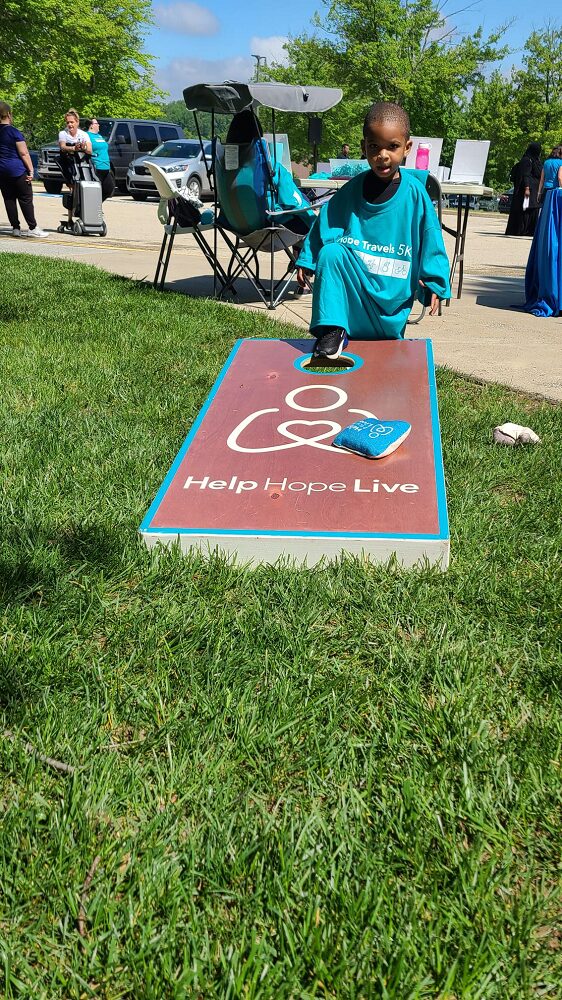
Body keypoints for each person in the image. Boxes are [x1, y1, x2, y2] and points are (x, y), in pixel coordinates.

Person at [296, 101, 451, 362]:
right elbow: (325, 224)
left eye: (392, 146)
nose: (383, 155)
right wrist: (308, 259)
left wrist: (434, 284)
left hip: (390, 309)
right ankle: (332, 332)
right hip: (352, 307)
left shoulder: (415, 195)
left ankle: (371, 333)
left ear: (407, 147)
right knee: (332, 253)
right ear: (363, 148)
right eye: (374, 147)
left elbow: (431, 240)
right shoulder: (350, 192)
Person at [224, 110, 315, 235]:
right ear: (258, 135)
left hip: (234, 224)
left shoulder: (224, 166)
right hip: (266, 224)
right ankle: (303, 254)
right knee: (306, 219)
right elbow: (292, 200)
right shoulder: (268, 165)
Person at [0, 100, 48, 237]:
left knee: (9, 199)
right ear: (8, 114)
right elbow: (24, 153)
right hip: (17, 170)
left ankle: (15, 228)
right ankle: (32, 228)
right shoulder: (14, 132)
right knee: (25, 198)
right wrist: (31, 170)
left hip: (2, 172)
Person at [524, 146, 562, 317]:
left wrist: (538, 194)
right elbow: (560, 179)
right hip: (557, 193)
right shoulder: (561, 164)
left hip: (546, 192)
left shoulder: (546, 163)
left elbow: (541, 180)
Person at [58, 108, 92, 226]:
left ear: (77, 122)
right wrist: (73, 148)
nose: (70, 125)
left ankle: (86, 215)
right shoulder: (63, 134)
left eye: (72, 122)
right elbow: (62, 147)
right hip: (68, 163)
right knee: (72, 189)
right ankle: (69, 219)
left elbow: (89, 150)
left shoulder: (84, 135)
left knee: (85, 187)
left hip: (81, 164)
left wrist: (82, 147)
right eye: (68, 122)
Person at [505, 143, 542, 237]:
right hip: (528, 190)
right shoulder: (526, 160)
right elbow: (525, 175)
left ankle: (530, 230)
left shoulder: (535, 160)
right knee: (525, 209)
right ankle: (522, 230)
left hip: (534, 190)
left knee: (532, 209)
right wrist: (527, 188)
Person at [85, 117, 114, 201]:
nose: (98, 125)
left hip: (106, 167)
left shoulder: (99, 136)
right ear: (91, 126)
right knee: (95, 191)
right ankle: (88, 209)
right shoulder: (87, 136)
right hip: (96, 167)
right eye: (96, 123)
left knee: (109, 189)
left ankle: (96, 206)